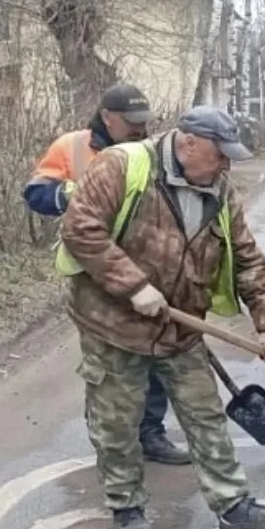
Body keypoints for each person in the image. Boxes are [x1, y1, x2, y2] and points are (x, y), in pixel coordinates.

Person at [57, 105, 265, 529]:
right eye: (219, 154)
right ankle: (126, 505)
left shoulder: (218, 191)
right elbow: (80, 228)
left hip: (180, 326)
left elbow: (247, 259)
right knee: (118, 422)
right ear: (188, 143)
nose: (225, 164)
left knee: (204, 415)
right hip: (112, 323)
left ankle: (233, 506)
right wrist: (132, 286)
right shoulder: (123, 166)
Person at [24, 83, 191, 467]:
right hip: (94, 274)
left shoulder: (154, 151)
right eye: (131, 122)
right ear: (107, 117)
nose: (139, 129)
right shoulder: (72, 147)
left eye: (143, 122)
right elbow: (35, 195)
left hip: (146, 270)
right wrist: (72, 194)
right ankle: (107, 429)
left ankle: (150, 432)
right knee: (107, 359)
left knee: (152, 348)